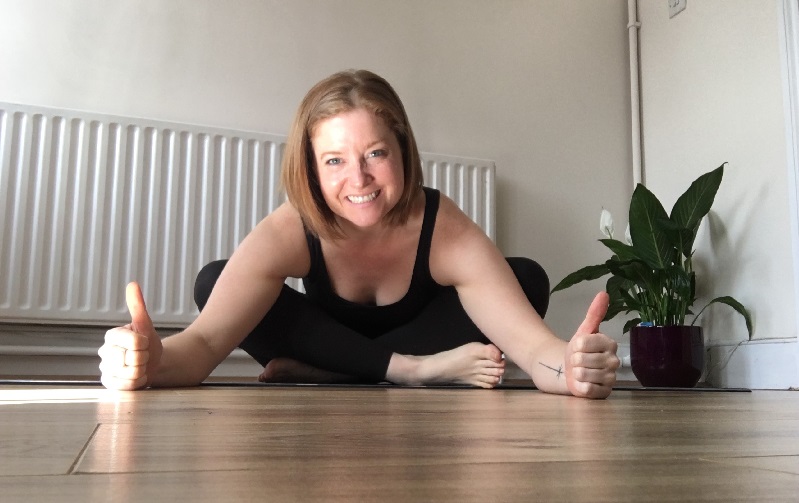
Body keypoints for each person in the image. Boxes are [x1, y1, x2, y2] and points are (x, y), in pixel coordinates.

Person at [98, 69, 619, 398]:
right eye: (334, 161)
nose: (359, 179)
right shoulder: (292, 227)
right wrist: (150, 361)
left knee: (523, 277)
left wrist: (571, 368)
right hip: (412, 357)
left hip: (378, 346)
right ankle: (409, 372)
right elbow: (205, 343)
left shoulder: (443, 228)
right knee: (215, 281)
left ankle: (332, 376)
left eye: (375, 153)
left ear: (402, 151)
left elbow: (535, 351)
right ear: (311, 169)